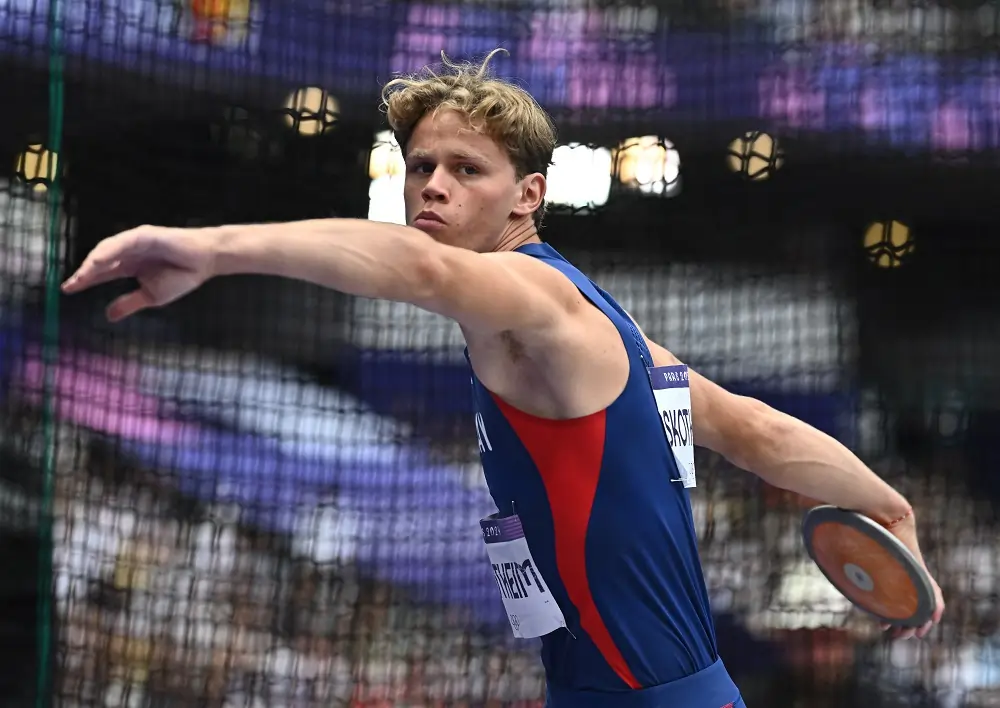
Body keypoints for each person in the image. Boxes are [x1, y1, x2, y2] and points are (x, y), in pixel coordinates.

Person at [62, 49, 944, 707]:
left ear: (527, 194)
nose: (430, 189)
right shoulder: (603, 328)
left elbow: (420, 270)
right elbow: (753, 429)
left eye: (464, 170)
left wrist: (208, 250)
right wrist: (886, 499)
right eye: (419, 169)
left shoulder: (536, 300)